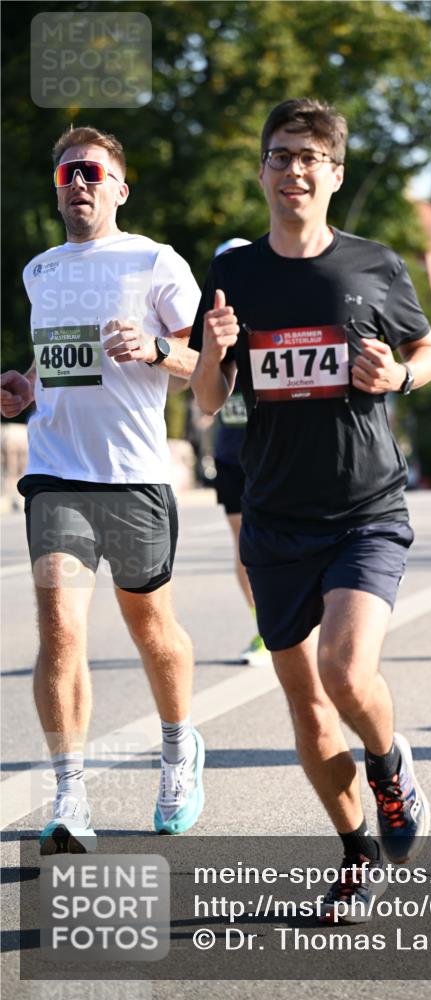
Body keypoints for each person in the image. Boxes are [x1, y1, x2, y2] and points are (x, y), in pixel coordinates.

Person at [189, 98, 431, 922]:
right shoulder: (234, 274)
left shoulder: (374, 264)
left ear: (332, 174)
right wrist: (216, 355)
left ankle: (388, 759)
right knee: (303, 704)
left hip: (365, 507)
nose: (292, 169)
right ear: (262, 171)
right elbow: (204, 400)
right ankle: (354, 854)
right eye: (279, 155)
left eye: (308, 157)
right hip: (273, 517)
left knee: (343, 671)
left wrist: (398, 377)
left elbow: (426, 349)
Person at [0, 126, 205, 854]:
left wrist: (155, 349)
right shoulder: (41, 272)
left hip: (135, 476)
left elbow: (203, 363)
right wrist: (25, 385)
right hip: (56, 475)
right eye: (66, 174)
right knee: (59, 628)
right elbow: (51, 360)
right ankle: (69, 794)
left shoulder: (156, 261)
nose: (77, 183)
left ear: (120, 187)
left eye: (92, 171)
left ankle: (180, 750)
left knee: (153, 632)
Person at [212, 238, 270, 666]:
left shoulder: (269, 314)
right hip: (230, 454)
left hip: (272, 452)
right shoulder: (208, 324)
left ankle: (295, 621)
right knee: (243, 545)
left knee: (277, 541)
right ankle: (262, 628)